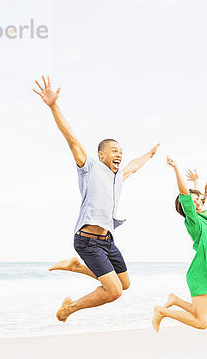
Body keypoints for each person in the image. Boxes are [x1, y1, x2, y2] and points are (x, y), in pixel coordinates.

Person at [33, 75, 159, 322]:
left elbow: (133, 166)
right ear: (101, 154)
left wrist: (150, 154)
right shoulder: (89, 167)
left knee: (125, 283)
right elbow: (71, 139)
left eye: (120, 152)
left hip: (107, 241)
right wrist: (53, 105)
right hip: (88, 241)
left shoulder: (118, 176)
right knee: (114, 291)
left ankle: (76, 267)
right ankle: (68, 308)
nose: (119, 155)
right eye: (114, 151)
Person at [152, 158, 207, 332]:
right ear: (188, 209)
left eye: (199, 199)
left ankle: (175, 300)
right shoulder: (193, 221)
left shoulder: (205, 217)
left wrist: (196, 182)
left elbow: (197, 196)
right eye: (193, 202)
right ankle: (161, 311)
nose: (198, 202)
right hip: (199, 274)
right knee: (201, 322)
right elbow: (186, 195)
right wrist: (176, 168)